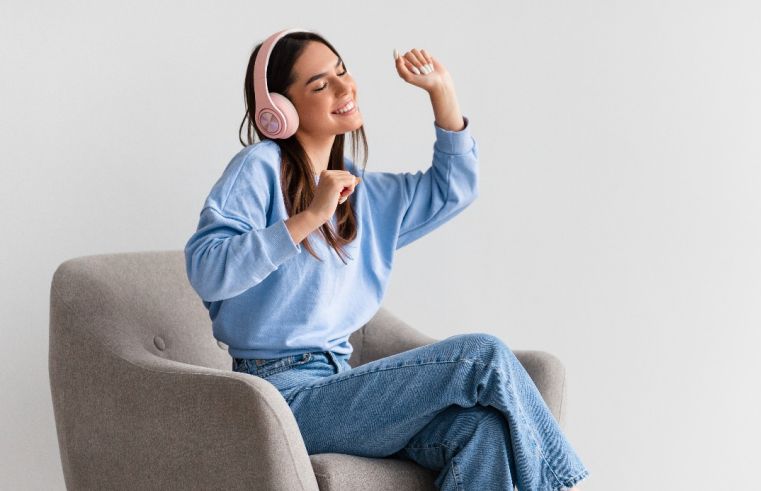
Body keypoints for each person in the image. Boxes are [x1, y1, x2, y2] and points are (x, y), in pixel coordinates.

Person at [184, 28, 589, 490]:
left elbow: (451, 189)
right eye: (320, 84)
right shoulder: (259, 167)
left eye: (342, 72)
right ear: (280, 110)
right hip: (280, 396)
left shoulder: (361, 192)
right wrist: (310, 217)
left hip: (340, 383)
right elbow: (206, 270)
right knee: (482, 355)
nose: (344, 87)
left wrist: (442, 92)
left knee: (481, 431)